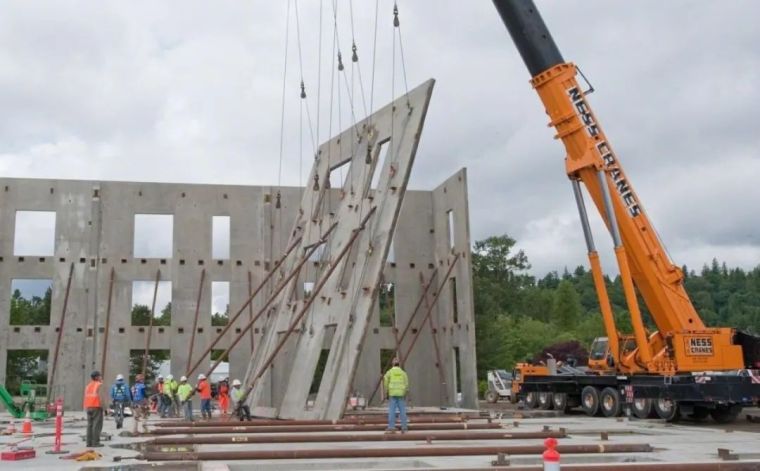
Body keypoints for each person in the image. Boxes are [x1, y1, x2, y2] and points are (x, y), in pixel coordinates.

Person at [383, 357, 409, 433]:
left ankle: (391, 427)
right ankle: (404, 427)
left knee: (392, 411)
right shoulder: (403, 373)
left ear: (392, 364)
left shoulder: (389, 372)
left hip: (392, 394)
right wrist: (405, 392)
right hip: (401, 394)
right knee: (402, 411)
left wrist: (386, 390)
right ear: (399, 364)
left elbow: (385, 381)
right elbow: (406, 383)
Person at [83, 370, 104, 447]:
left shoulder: (88, 386)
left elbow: (85, 396)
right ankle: (95, 442)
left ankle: (89, 443)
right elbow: (101, 398)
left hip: (88, 406)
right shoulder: (99, 385)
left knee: (89, 425)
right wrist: (104, 407)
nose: (101, 377)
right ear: (97, 377)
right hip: (96, 406)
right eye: (100, 376)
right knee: (97, 425)